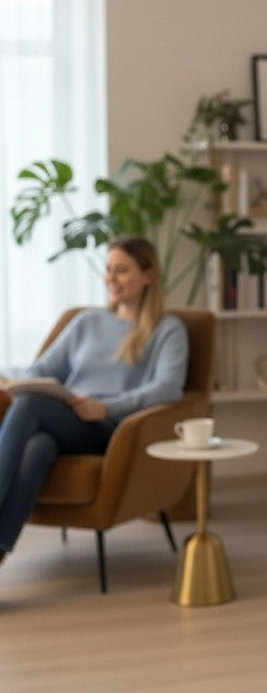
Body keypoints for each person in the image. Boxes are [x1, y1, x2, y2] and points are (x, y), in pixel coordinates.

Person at [0, 236, 188, 563]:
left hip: (110, 429)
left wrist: (105, 408)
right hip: (66, 418)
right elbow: (42, 369)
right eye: (108, 269)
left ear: (147, 276)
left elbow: (168, 388)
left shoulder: (168, 329)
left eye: (122, 270)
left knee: (28, 406)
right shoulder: (87, 322)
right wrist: (21, 382)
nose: (111, 279)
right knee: (37, 447)